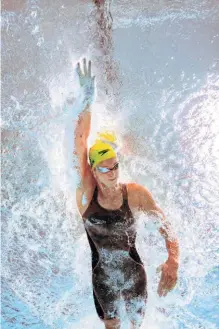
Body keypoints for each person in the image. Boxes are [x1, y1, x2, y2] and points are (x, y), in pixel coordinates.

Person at [73, 58, 179, 329]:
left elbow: (164, 225)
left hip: (135, 276)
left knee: (135, 325)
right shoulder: (86, 198)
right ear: (94, 171)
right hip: (102, 280)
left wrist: (173, 260)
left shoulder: (135, 194)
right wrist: (87, 99)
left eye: (115, 166)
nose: (113, 173)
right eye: (106, 169)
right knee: (112, 325)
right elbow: (80, 144)